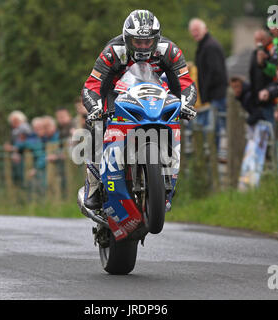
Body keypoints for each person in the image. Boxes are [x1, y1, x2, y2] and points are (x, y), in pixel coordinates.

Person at [81, 9, 197, 210]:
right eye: (137, 42)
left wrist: (186, 104)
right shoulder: (112, 52)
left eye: (148, 42)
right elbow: (92, 85)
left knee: (173, 121)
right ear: (127, 39)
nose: (143, 47)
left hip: (154, 93)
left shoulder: (169, 50)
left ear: (156, 39)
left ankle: (166, 177)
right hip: (115, 93)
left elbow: (185, 82)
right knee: (97, 127)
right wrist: (95, 108)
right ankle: (93, 184)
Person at [188, 18, 228, 148]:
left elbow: (214, 72)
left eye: (197, 30)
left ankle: (213, 158)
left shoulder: (210, 46)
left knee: (214, 131)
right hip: (210, 96)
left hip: (215, 96)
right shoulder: (204, 46)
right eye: (193, 31)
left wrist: (205, 93)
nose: (195, 33)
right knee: (210, 130)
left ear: (205, 29)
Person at [249, 30, 275, 124]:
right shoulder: (254, 54)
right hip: (258, 99)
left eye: (262, 40)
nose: (259, 43)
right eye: (257, 40)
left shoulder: (272, 52)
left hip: (270, 97)